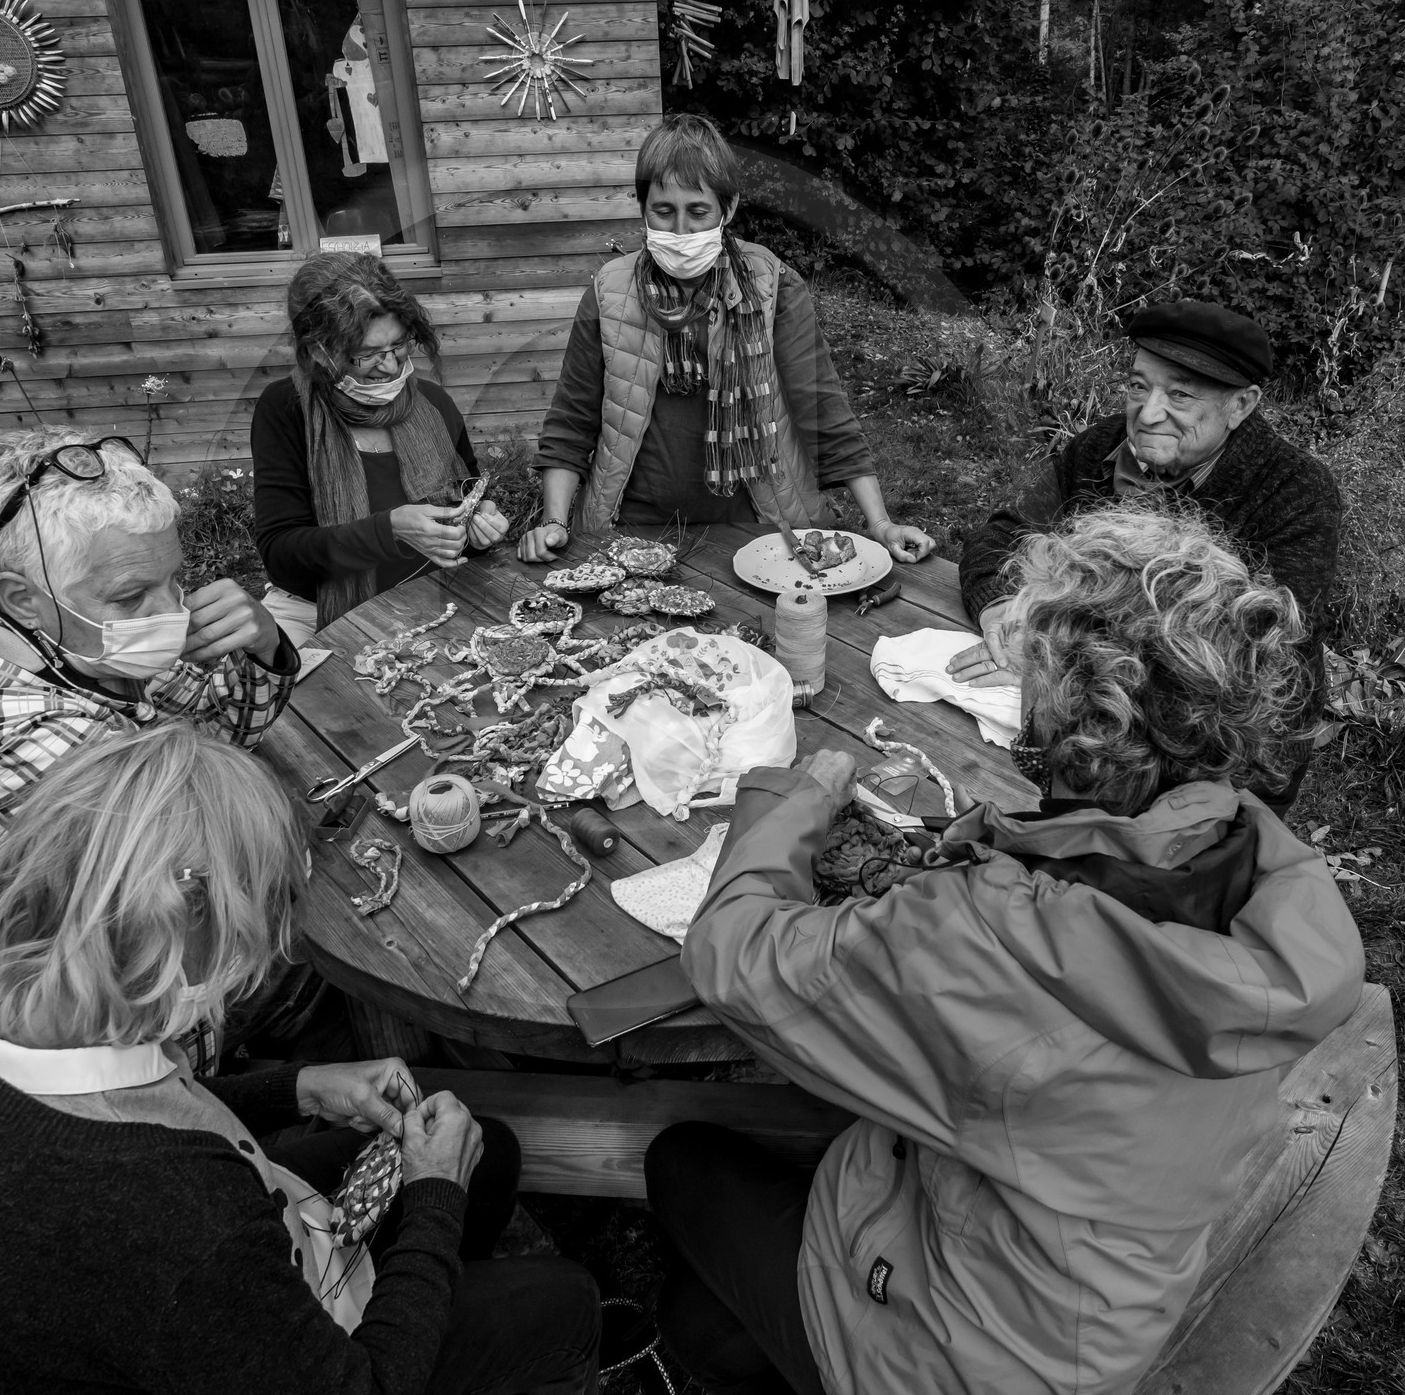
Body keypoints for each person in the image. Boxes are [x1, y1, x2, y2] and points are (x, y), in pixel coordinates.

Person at [646, 508, 1364, 1395]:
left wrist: (800, 796)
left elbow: (732, 956)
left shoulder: (979, 938)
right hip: (1102, 1304)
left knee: (681, 1166)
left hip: (969, 1356)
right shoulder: (1274, 874)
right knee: (709, 1309)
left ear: (1062, 707)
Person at [0, 723, 600, 1395]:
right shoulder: (178, 1223)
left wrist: (298, 1090)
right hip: (283, 1336)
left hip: (209, 1303)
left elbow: (140, 1111)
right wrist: (433, 1203)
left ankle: (438, 1292)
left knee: (490, 1150)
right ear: (183, 924)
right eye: (248, 935)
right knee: (563, 1302)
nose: (257, 965)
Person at [0, 428, 298, 1167]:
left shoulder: (49, 634)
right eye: (135, 594)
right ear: (20, 598)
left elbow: (221, 721)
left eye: (176, 577)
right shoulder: (5, 728)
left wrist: (263, 646)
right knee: (291, 949)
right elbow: (206, 872)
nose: (172, 609)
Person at [950, 300, 1342, 806]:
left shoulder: (1297, 492)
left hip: (1225, 762)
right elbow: (1005, 532)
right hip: (1088, 735)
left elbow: (1261, 651)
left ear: (1240, 406)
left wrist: (1057, 638)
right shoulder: (1099, 448)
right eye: (1139, 386)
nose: (1147, 413)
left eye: (1179, 394)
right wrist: (1005, 611)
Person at [519, 114, 933, 562]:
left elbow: (823, 410)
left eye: (698, 211)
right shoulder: (610, 292)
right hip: (632, 530)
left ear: (727, 209)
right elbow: (571, 420)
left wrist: (880, 523)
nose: (681, 231)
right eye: (663, 211)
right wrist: (555, 523)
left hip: (757, 531)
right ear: (643, 208)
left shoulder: (772, 285)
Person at [253, 254, 509, 648]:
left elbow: (469, 503)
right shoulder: (286, 410)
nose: (389, 367)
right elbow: (282, 552)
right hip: (315, 607)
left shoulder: (433, 404)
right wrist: (387, 529)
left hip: (434, 591)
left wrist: (478, 529)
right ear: (320, 350)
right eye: (366, 354)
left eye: (399, 345)